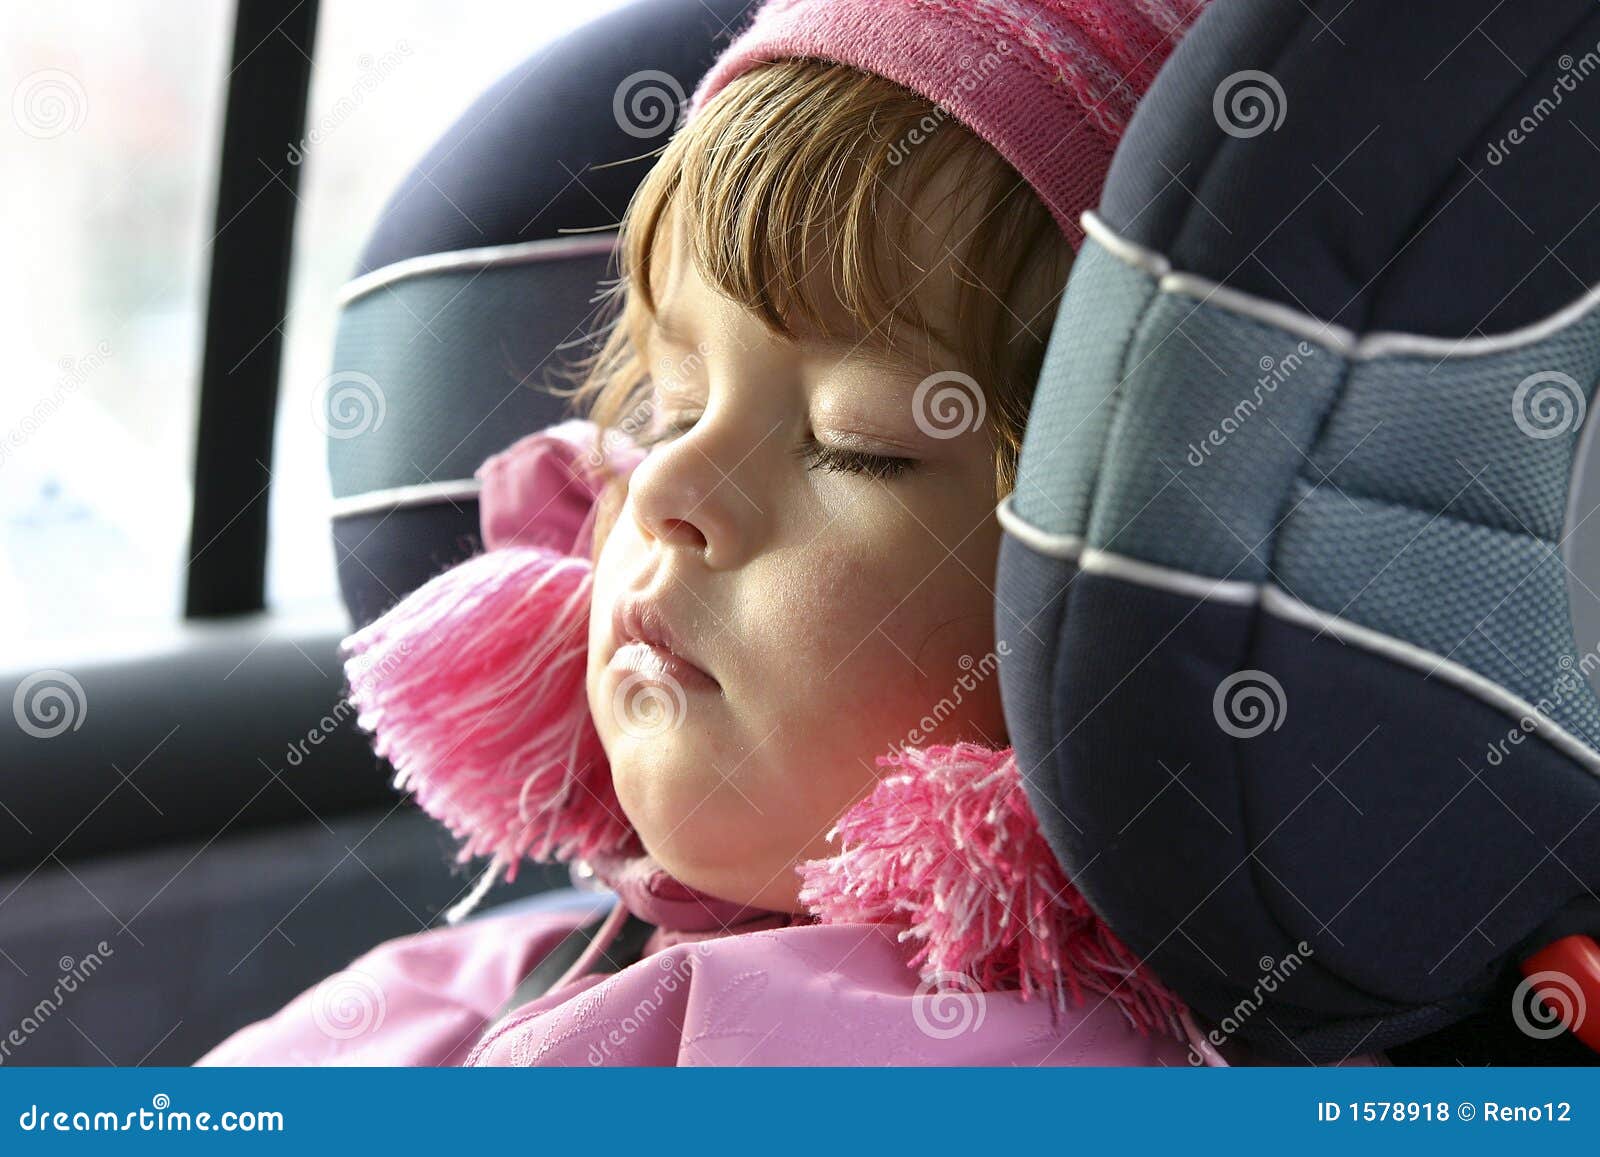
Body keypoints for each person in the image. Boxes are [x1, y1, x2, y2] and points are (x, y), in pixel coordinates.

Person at [197, 0, 1382, 1067]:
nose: (666, 486)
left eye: (853, 440)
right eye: (662, 408)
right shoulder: (468, 985)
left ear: (1119, 597)